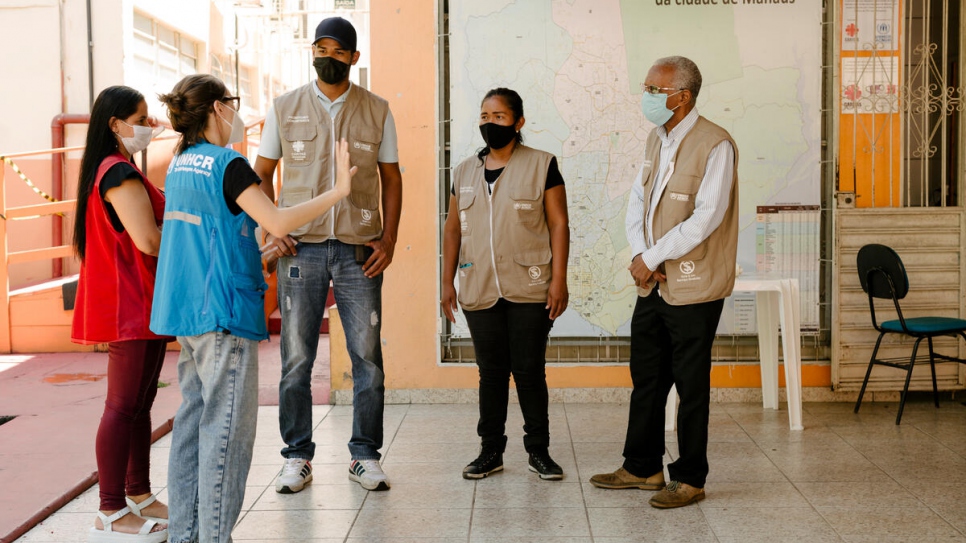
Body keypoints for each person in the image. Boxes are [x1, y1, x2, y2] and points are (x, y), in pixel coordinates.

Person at [153, 73, 355, 543]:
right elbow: (278, 219)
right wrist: (339, 191)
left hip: (189, 312)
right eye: (233, 102)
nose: (237, 112)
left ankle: (185, 536)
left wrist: (260, 250)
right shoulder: (229, 164)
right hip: (223, 314)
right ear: (218, 109)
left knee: (191, 427)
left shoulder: (180, 164)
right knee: (226, 434)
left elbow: (213, 238)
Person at [253, 16, 402, 493]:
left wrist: (389, 239)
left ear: (355, 58)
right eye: (321, 48)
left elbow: (392, 178)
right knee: (296, 358)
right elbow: (261, 175)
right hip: (302, 249)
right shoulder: (284, 107)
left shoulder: (377, 110)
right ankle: (296, 456)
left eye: (339, 51)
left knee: (367, 356)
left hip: (360, 250)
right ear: (311, 53)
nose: (329, 57)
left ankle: (364, 455)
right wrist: (270, 230)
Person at [589, 56, 739, 509]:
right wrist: (641, 256)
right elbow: (638, 200)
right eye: (647, 87)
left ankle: (690, 477)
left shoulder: (717, 144)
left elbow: (706, 218)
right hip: (653, 282)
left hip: (693, 285)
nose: (647, 96)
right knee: (648, 378)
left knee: (690, 384)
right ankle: (642, 467)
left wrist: (652, 256)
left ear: (682, 96)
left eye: (655, 89)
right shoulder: (658, 139)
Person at [441, 88, 570, 481]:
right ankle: (490, 451)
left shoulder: (542, 164)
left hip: (530, 286)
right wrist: (446, 281)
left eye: (498, 116)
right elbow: (452, 228)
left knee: (529, 369)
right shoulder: (463, 171)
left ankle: (539, 451)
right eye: (484, 115)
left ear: (518, 122)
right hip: (478, 286)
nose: (489, 122)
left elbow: (559, 223)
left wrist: (559, 280)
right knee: (491, 373)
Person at [71, 85, 169, 543]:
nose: (148, 126)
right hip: (130, 304)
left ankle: (139, 494)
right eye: (141, 118)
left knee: (139, 405)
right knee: (122, 406)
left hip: (141, 302)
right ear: (115, 124)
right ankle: (110, 509)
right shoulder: (117, 173)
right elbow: (148, 240)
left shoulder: (118, 168)